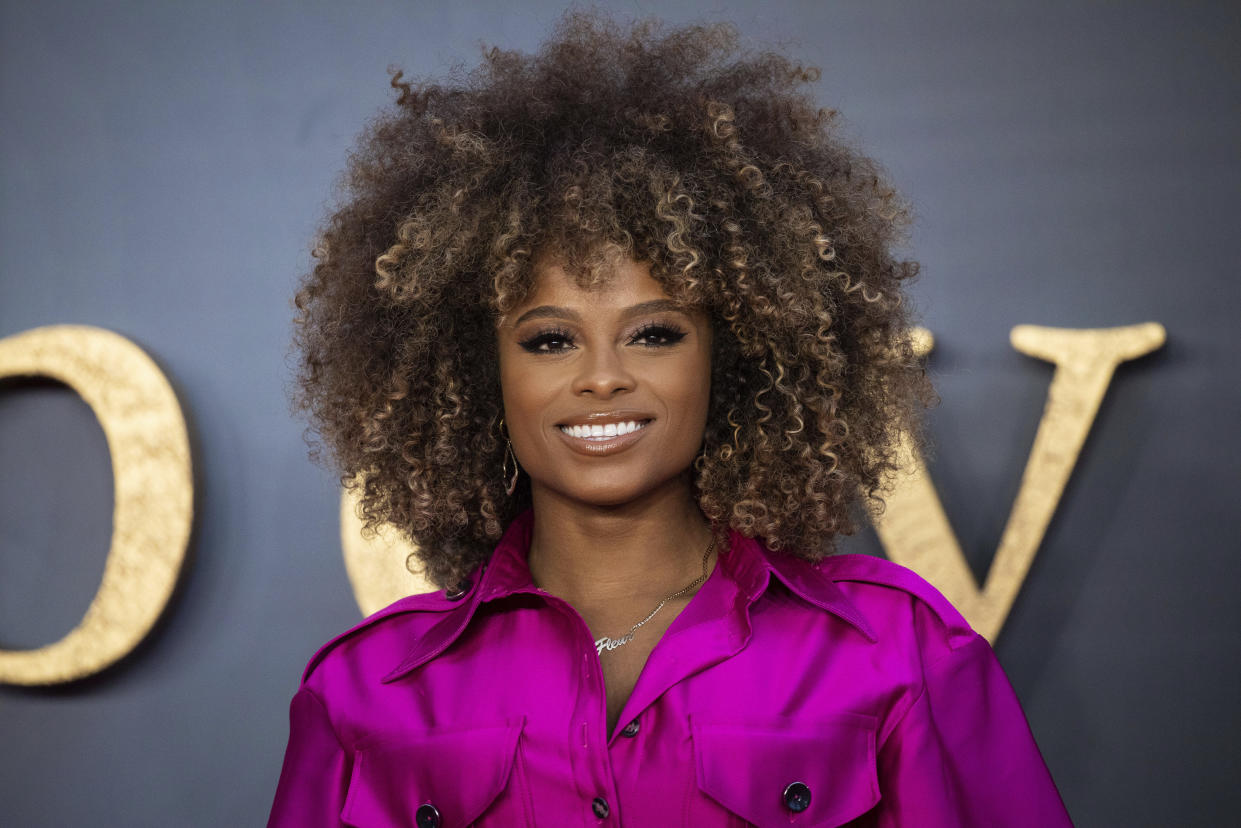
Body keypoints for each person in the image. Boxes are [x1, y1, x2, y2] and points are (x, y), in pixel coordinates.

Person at [269, 11, 1072, 827]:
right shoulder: (366, 693)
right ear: (481, 374)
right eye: (549, 340)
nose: (603, 378)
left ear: (738, 355)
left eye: (654, 333)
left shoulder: (896, 652)